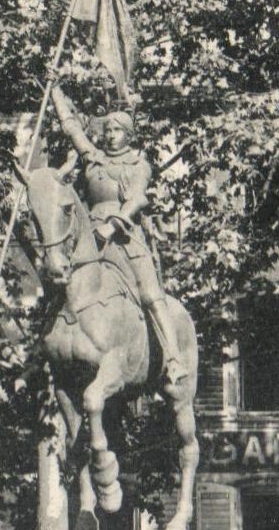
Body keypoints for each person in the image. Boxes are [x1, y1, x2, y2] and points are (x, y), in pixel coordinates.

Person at [50, 84, 187, 390]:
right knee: (60, 282)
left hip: (124, 236)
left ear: (129, 134)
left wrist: (113, 226)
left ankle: (174, 358)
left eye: (117, 130)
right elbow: (72, 128)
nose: (110, 135)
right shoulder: (94, 159)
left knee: (150, 293)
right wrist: (56, 91)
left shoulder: (139, 164)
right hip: (88, 237)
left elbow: (137, 200)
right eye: (108, 129)